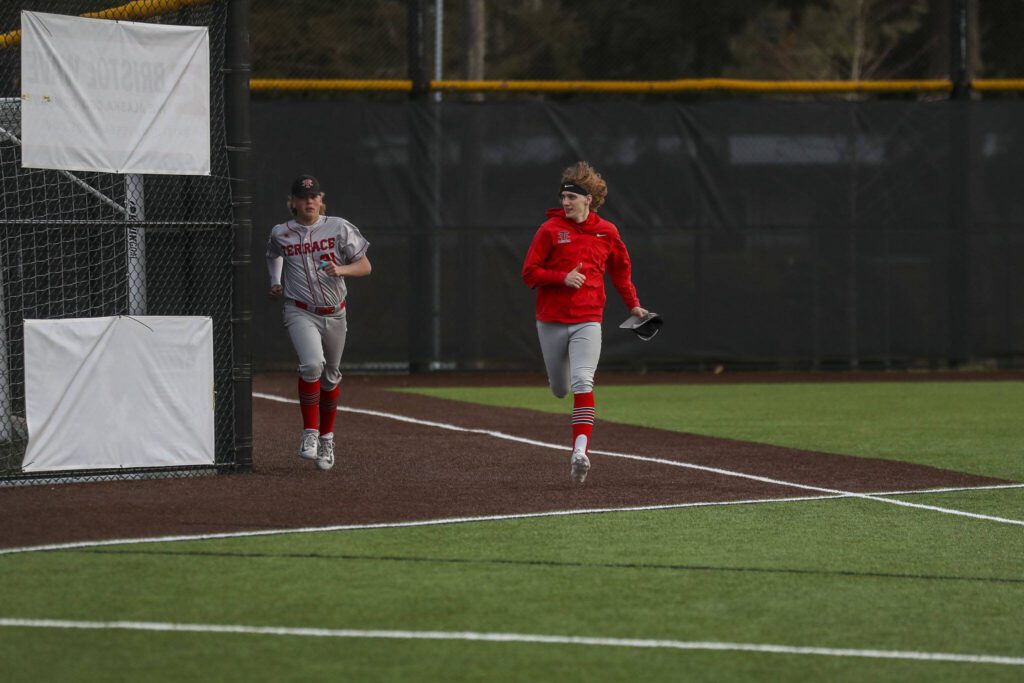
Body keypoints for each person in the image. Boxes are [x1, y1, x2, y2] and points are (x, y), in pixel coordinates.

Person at [522, 161, 648, 484]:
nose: (565, 202)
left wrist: (633, 305)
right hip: (550, 320)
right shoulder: (549, 230)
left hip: (588, 320)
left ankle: (580, 451)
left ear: (588, 199)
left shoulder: (607, 232)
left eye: (571, 198)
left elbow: (621, 272)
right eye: (563, 197)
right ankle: (575, 432)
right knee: (560, 388)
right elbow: (529, 273)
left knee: (582, 381)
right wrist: (561, 277)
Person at [266, 175, 372, 471]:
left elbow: (365, 266)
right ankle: (310, 433)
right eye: (302, 197)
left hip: (335, 312)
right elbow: (273, 254)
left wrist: (341, 269)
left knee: (331, 375)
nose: (308, 201)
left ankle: (327, 438)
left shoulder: (339, 227)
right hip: (300, 310)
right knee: (312, 364)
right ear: (293, 202)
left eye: (313, 196)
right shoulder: (281, 232)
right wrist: (275, 281)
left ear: (320, 199)